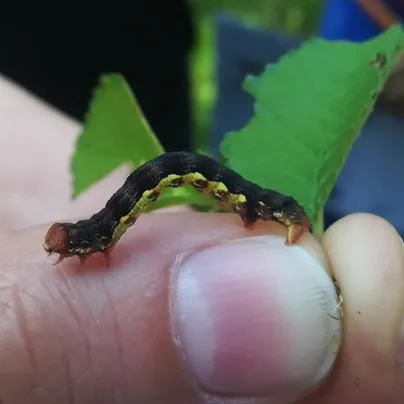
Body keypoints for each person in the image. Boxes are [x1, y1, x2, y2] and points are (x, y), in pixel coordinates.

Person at [0, 76, 403, 403]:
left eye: (71, 245)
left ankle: (272, 207)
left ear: (86, 243)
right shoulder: (111, 217)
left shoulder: (117, 218)